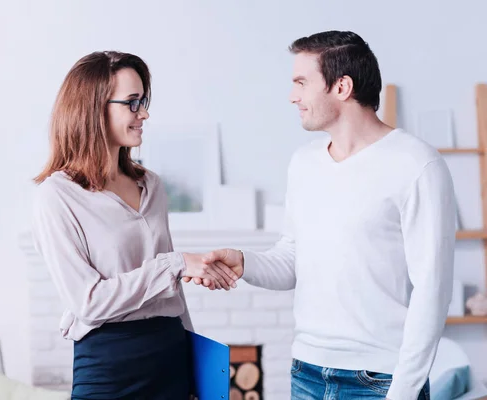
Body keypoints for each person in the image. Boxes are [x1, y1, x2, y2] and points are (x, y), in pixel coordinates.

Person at [199, 31, 456, 400]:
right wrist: (243, 261)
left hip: (381, 379)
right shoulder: (304, 163)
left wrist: (403, 391)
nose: (292, 96)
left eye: (301, 82)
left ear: (342, 86)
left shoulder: (417, 165)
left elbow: (433, 292)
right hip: (307, 373)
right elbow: (292, 259)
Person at [31, 51, 237, 400]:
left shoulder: (151, 185)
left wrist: (194, 367)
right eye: (132, 103)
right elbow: (89, 302)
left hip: (170, 354)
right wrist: (174, 263)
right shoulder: (56, 195)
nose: (144, 113)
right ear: (93, 108)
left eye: (143, 101)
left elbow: (173, 291)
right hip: (110, 366)